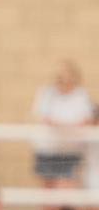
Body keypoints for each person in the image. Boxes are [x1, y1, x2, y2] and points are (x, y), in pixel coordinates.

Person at [32, 61, 94, 189]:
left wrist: (62, 125)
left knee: (65, 189)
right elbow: (44, 118)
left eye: (68, 77)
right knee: (48, 190)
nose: (63, 81)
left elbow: (86, 120)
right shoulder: (47, 93)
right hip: (47, 150)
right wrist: (68, 125)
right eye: (60, 78)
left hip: (69, 151)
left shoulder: (81, 95)